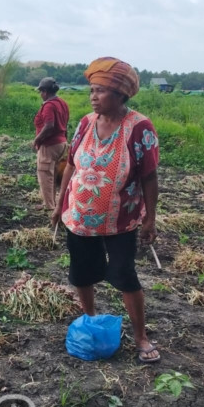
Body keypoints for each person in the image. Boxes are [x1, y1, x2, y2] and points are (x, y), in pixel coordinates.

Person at [51, 57, 160, 363]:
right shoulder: (86, 123)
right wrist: (60, 204)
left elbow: (149, 177)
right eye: (92, 90)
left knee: (125, 275)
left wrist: (150, 219)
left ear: (121, 95)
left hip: (121, 220)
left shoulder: (139, 128)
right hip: (79, 216)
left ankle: (141, 336)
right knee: (82, 274)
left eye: (100, 91)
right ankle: (90, 320)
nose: (93, 96)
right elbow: (72, 164)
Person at [33, 77, 70, 210]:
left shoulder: (49, 105)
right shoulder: (62, 103)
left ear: (45, 91)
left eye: (41, 91)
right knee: (52, 174)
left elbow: (49, 126)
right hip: (62, 143)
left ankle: (49, 206)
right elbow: (65, 123)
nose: (41, 94)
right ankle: (51, 203)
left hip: (50, 145)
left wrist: (37, 140)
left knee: (45, 175)